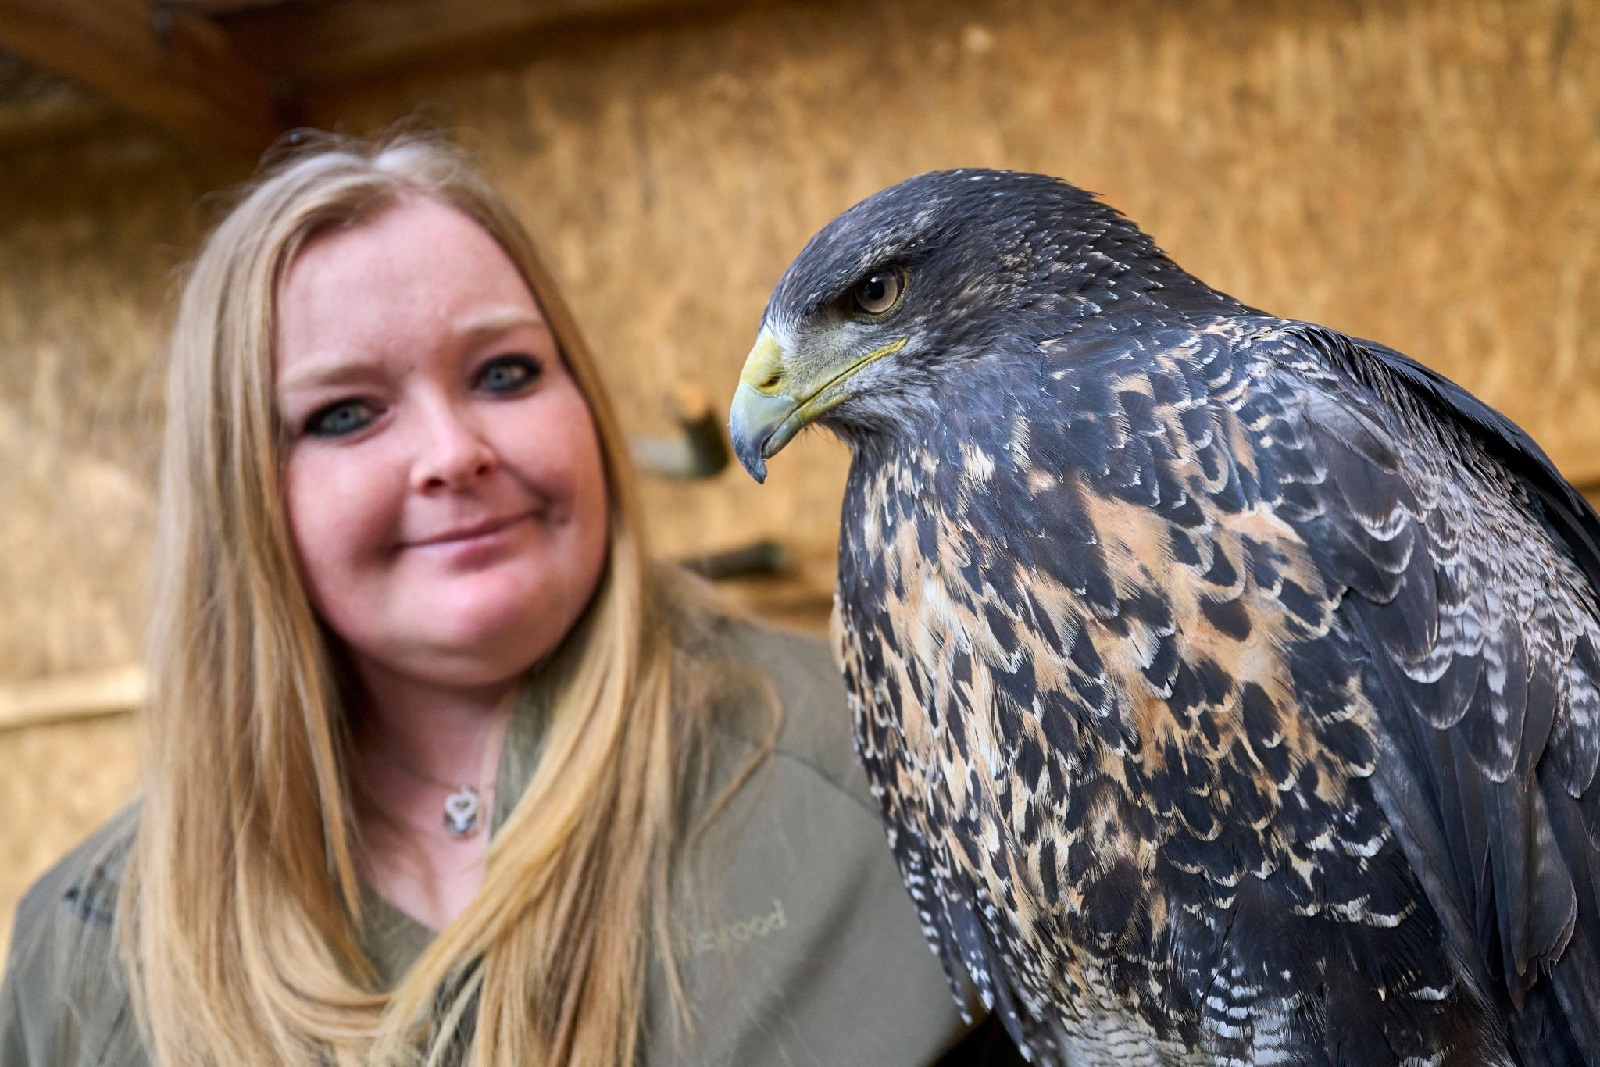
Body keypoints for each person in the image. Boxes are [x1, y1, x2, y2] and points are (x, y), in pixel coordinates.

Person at [0, 134, 1015, 1065]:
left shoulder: (898, 771)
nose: (454, 453)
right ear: (241, 492)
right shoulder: (85, 948)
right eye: (346, 413)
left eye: (505, 372)